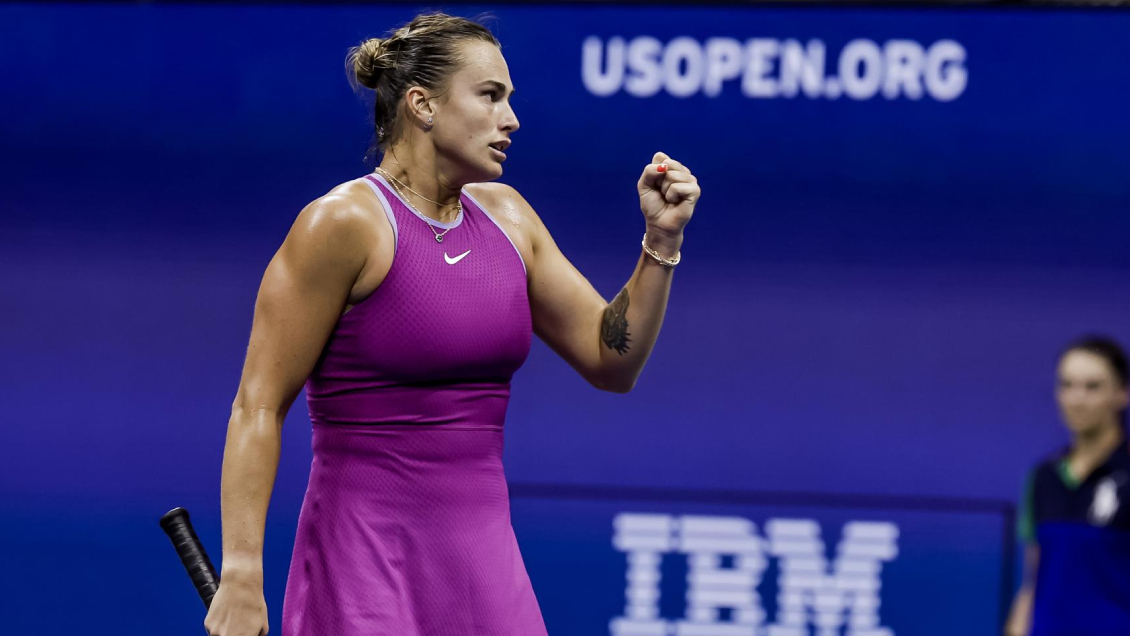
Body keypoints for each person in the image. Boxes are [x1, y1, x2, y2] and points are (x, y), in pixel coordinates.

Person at [202, 12, 700, 636]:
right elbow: (257, 406)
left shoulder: (510, 218)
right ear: (422, 105)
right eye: (491, 96)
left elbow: (612, 360)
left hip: (483, 564)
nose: (511, 118)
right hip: (362, 563)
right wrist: (243, 574)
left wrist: (660, 242)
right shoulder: (343, 224)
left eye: (509, 99)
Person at [1006, 336, 1130, 636]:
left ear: (1122, 394)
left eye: (1093, 387)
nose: (1077, 398)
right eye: (1067, 385)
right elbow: (1033, 581)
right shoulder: (1043, 477)